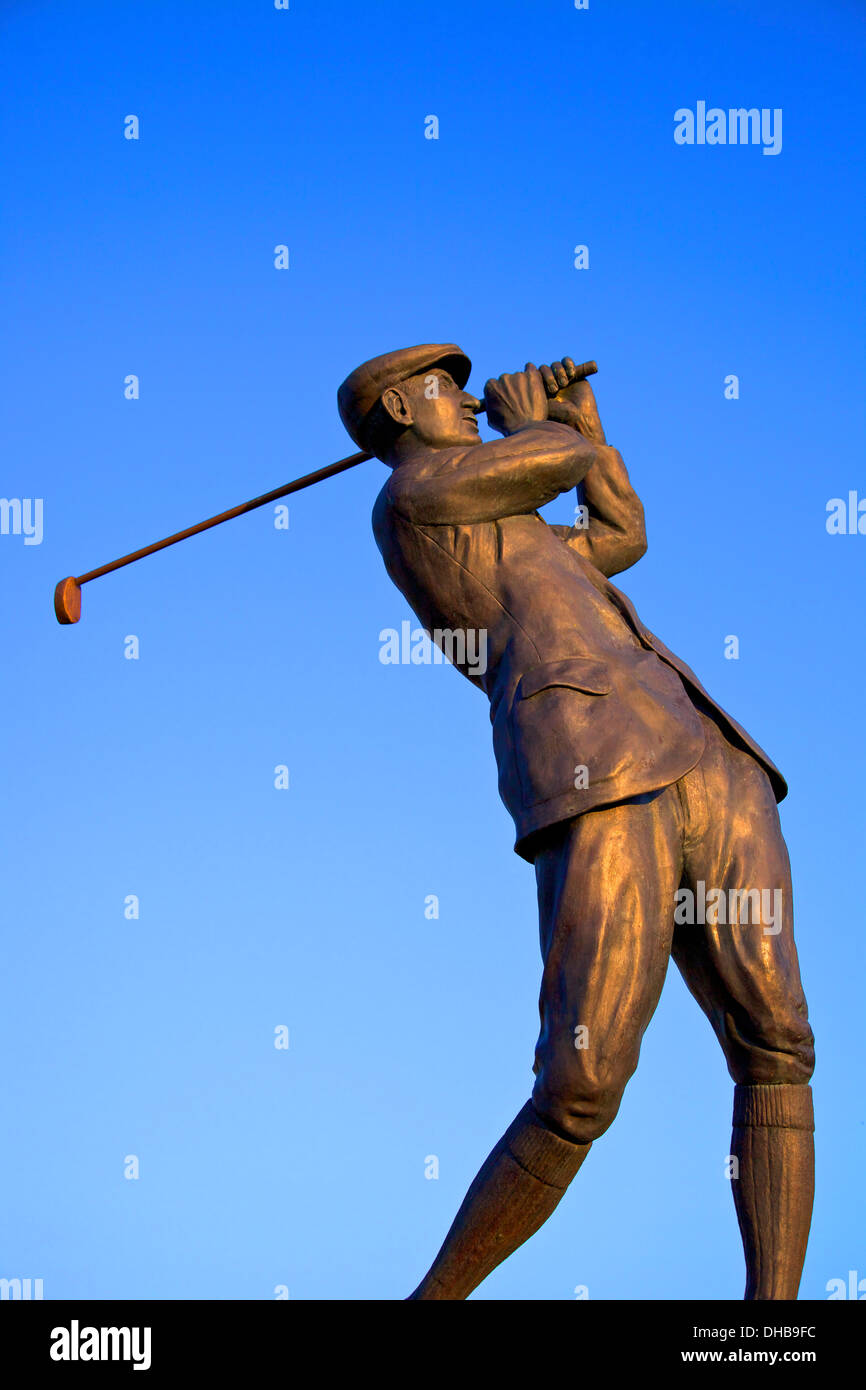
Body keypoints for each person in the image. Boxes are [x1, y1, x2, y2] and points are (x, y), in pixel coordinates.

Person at [337, 343, 815, 1300]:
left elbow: (622, 531)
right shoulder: (417, 500)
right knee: (581, 1081)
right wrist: (549, 428)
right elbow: (547, 463)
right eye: (445, 387)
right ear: (397, 407)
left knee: (778, 1040)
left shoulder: (511, 516)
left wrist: (584, 426)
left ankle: (775, 1325)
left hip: (701, 747)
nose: (470, 398)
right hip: (593, 770)